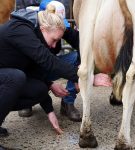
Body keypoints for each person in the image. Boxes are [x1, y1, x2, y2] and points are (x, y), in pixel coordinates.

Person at [0, 6, 79, 149]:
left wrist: (49, 110)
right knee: (15, 78)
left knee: (39, 89)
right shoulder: (21, 30)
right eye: (54, 40)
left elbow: (34, 72)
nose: (55, 46)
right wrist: (82, 77)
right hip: (6, 76)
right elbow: (47, 60)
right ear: (43, 29)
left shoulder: (35, 33)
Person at [18, 0, 82, 122]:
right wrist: (49, 84)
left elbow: (81, 43)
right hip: (31, 71)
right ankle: (26, 101)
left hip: (50, 66)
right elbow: (25, 66)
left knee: (75, 57)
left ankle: (67, 103)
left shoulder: (59, 27)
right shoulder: (28, 31)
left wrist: (81, 67)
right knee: (23, 76)